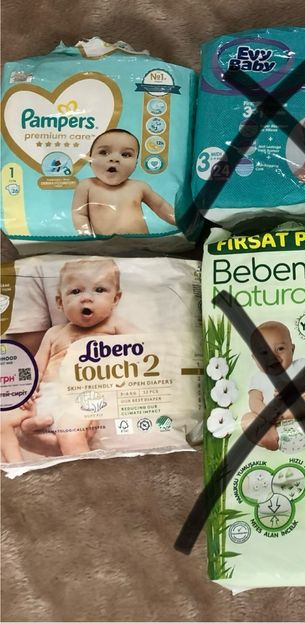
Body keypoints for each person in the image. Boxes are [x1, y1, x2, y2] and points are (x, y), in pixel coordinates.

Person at [3, 259, 136, 461]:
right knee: (5, 423)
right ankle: (17, 469)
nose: (86, 298)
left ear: (115, 298)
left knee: (70, 433)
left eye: (99, 290)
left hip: (82, 398)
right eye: (76, 291)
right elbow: (35, 368)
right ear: (60, 302)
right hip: (47, 397)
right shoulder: (54, 333)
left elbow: (146, 348)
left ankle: (86, 473)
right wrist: (26, 391)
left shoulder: (114, 326)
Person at [240, 321, 305, 453]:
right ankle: (270, 439)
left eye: (280, 349)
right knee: (246, 419)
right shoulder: (258, 378)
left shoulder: (299, 365)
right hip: (276, 430)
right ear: (255, 358)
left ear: (292, 349)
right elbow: (254, 400)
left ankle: (284, 415)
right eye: (264, 352)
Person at [71, 129, 176, 235]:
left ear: (135, 163)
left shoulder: (139, 187)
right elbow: (79, 214)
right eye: (104, 152)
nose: (114, 159)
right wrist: (87, 236)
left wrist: (179, 221)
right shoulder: (87, 186)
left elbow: (160, 206)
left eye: (126, 154)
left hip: (142, 241)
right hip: (107, 243)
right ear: (90, 159)